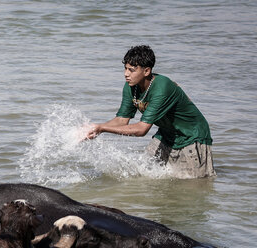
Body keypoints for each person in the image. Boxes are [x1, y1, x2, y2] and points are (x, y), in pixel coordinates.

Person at [85, 45, 215, 179]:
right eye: (125, 68)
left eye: (132, 70)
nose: (126, 74)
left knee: (193, 186)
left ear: (146, 71)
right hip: (166, 134)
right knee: (144, 176)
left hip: (192, 136)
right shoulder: (131, 87)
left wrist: (101, 129)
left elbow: (142, 129)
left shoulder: (162, 87)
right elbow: (121, 120)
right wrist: (93, 128)